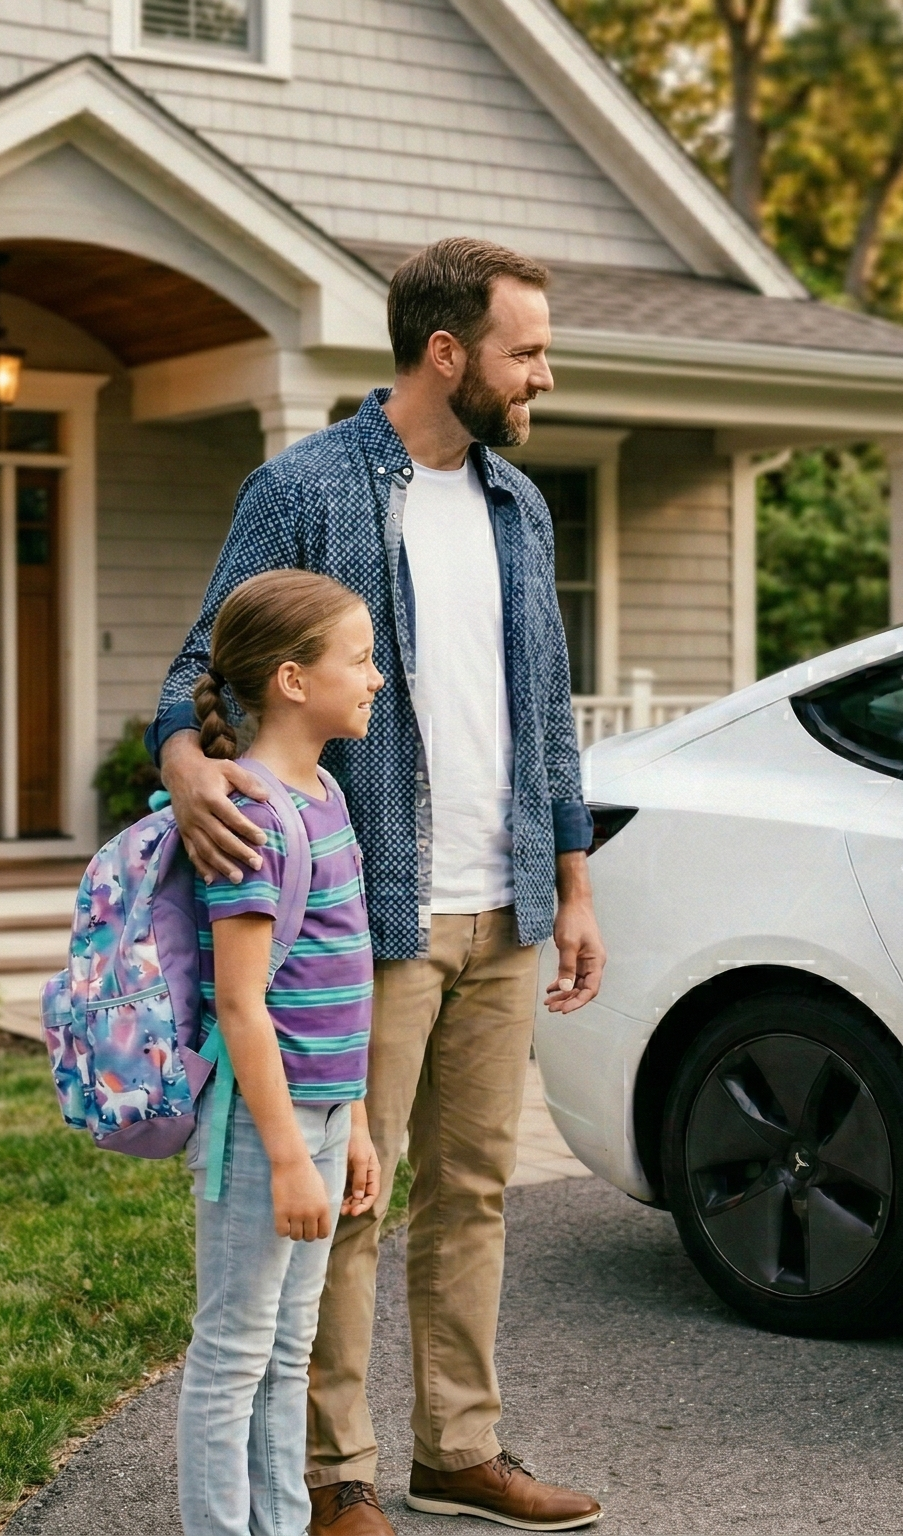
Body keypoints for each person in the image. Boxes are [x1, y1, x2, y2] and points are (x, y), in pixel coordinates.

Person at [150, 237, 607, 1536]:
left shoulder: (519, 506)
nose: (545, 376)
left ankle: (457, 1448)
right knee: (355, 1193)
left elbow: (546, 712)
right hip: (373, 915)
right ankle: (334, 1474)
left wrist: (570, 883)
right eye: (527, 352)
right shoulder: (305, 489)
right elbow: (201, 666)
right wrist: (188, 765)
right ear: (447, 353)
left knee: (473, 1193)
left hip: (507, 902)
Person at [178, 569, 387, 1536]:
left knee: (288, 1346)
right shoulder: (254, 817)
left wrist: (352, 1128)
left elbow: (329, 994)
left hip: (317, 1115)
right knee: (231, 1354)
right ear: (295, 681)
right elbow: (241, 1004)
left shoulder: (327, 793)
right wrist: (292, 1154)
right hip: (262, 1129)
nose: (377, 678)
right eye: (361, 658)